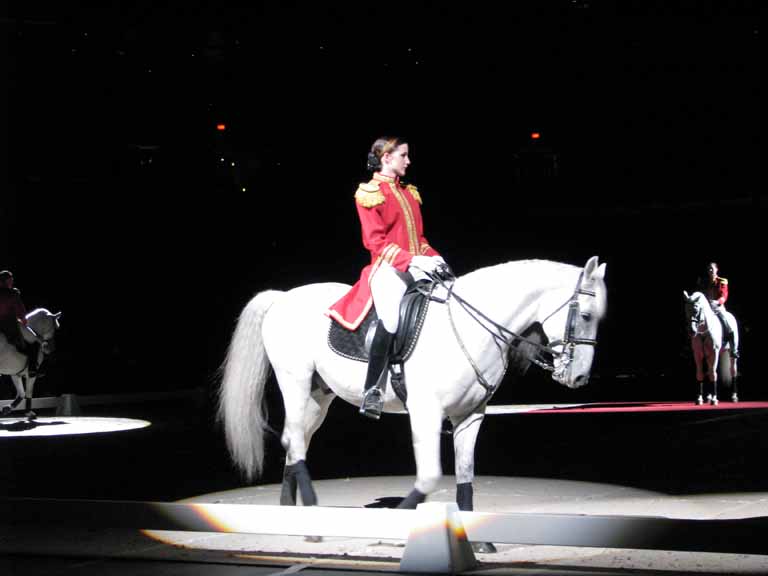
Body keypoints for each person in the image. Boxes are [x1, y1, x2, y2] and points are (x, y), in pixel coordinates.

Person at [327, 137, 449, 419]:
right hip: (387, 270)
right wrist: (411, 260)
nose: (408, 161)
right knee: (391, 319)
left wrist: (433, 256)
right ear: (386, 157)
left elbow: (418, 238)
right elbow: (375, 242)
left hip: (415, 266)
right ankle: (373, 390)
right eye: (403, 155)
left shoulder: (409, 193)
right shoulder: (369, 193)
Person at [0, 270, 39, 375]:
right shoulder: (13, 294)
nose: (12, 281)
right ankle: (32, 369)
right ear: (6, 281)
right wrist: (24, 321)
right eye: (10, 279)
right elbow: (20, 310)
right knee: (34, 342)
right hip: (10, 324)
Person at [698, 262, 738, 358]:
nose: (710, 270)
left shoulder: (722, 281)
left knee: (727, 322)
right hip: (707, 309)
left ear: (716, 269)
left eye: (712, 268)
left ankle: (733, 348)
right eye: (709, 269)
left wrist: (718, 302)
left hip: (718, 308)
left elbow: (724, 295)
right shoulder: (705, 282)